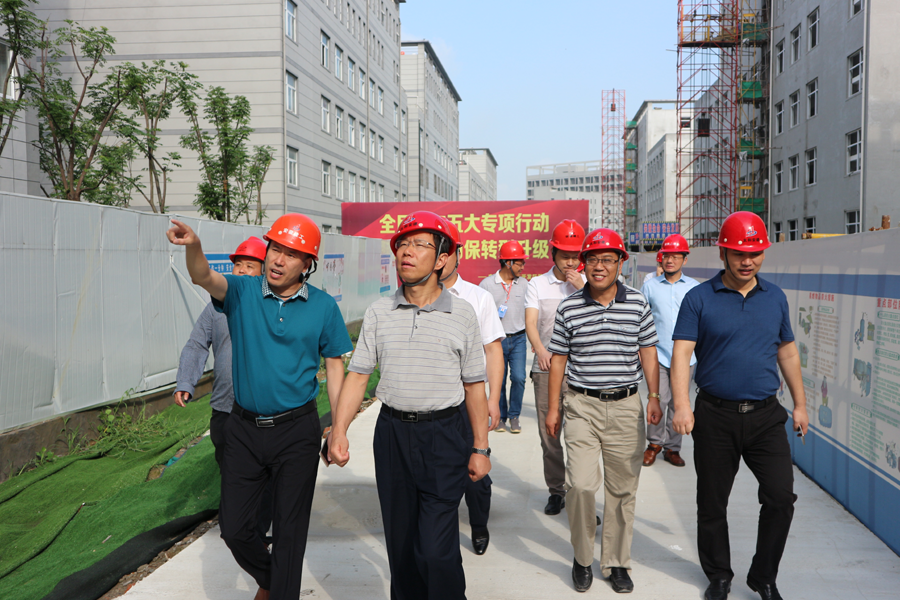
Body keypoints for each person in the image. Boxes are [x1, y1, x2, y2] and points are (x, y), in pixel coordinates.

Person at [166, 214, 352, 600]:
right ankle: (271, 579)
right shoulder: (242, 291)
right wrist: (194, 246)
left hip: (297, 431)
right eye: (275, 249)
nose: (278, 260)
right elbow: (203, 276)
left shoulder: (323, 307)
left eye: (291, 254)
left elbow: (335, 368)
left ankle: (280, 589)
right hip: (244, 428)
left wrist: (338, 428)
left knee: (289, 532)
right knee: (234, 528)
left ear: (308, 263)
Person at [329, 211, 491, 600]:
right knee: (401, 547)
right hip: (393, 436)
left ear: (441, 259)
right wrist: (339, 430)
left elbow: (474, 386)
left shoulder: (463, 314)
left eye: (419, 244)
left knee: (435, 550)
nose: (407, 251)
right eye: (402, 243)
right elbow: (358, 376)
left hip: (444, 437)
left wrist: (481, 447)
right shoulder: (379, 312)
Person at [670, 212, 809, 600]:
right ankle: (718, 576)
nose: (747, 261)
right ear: (723, 253)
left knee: (780, 498)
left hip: (766, 416)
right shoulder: (699, 298)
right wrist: (681, 405)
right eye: (738, 253)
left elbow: (787, 352)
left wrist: (800, 404)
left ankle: (763, 576)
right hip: (715, 416)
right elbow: (681, 354)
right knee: (712, 503)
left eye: (755, 253)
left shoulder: (775, 297)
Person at [546, 228, 662, 594]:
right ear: (583, 264)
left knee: (623, 489)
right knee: (580, 485)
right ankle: (582, 558)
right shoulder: (569, 307)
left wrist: (654, 395)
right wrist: (553, 408)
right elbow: (558, 360)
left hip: (626, 406)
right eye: (593, 259)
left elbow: (648, 351)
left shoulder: (637, 303)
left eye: (607, 259)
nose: (599, 266)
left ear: (620, 263)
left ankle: (616, 562)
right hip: (581, 405)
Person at [173, 236, 272, 542]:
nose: (241, 271)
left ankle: (256, 530)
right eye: (238, 265)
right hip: (225, 409)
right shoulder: (215, 309)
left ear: (265, 270)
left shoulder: (272, 306)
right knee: (229, 469)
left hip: (261, 411)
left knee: (262, 473)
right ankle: (238, 526)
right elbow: (196, 344)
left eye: (250, 266)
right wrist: (186, 381)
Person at [441, 217, 505, 556]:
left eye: (446, 251)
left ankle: (479, 525)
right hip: (432, 403)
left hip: (470, 401)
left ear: (457, 254)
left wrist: (493, 399)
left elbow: (493, 350)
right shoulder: (412, 298)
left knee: (475, 469)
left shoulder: (478, 298)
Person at [524, 219, 585, 516]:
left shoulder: (589, 284)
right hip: (547, 369)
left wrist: (583, 288)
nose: (570, 262)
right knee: (550, 436)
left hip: (582, 371)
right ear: (553, 254)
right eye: (564, 256)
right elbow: (531, 323)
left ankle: (580, 494)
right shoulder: (537, 284)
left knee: (581, 437)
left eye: (575, 256)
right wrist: (540, 349)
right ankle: (556, 491)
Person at [640, 234, 698, 468]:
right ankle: (654, 444)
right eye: (666, 256)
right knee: (658, 399)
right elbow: (641, 320)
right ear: (661, 258)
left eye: (676, 256)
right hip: (658, 355)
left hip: (686, 358)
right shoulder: (650, 287)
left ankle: (673, 448)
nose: (670, 260)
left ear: (685, 259)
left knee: (678, 402)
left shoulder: (694, 288)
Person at [479, 241, 528, 433]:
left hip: (519, 339)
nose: (523, 266)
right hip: (497, 340)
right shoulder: (487, 285)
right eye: (520, 263)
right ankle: (500, 417)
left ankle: (514, 416)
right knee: (497, 380)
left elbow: (532, 312)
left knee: (519, 378)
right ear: (508, 263)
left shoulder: (524, 284)